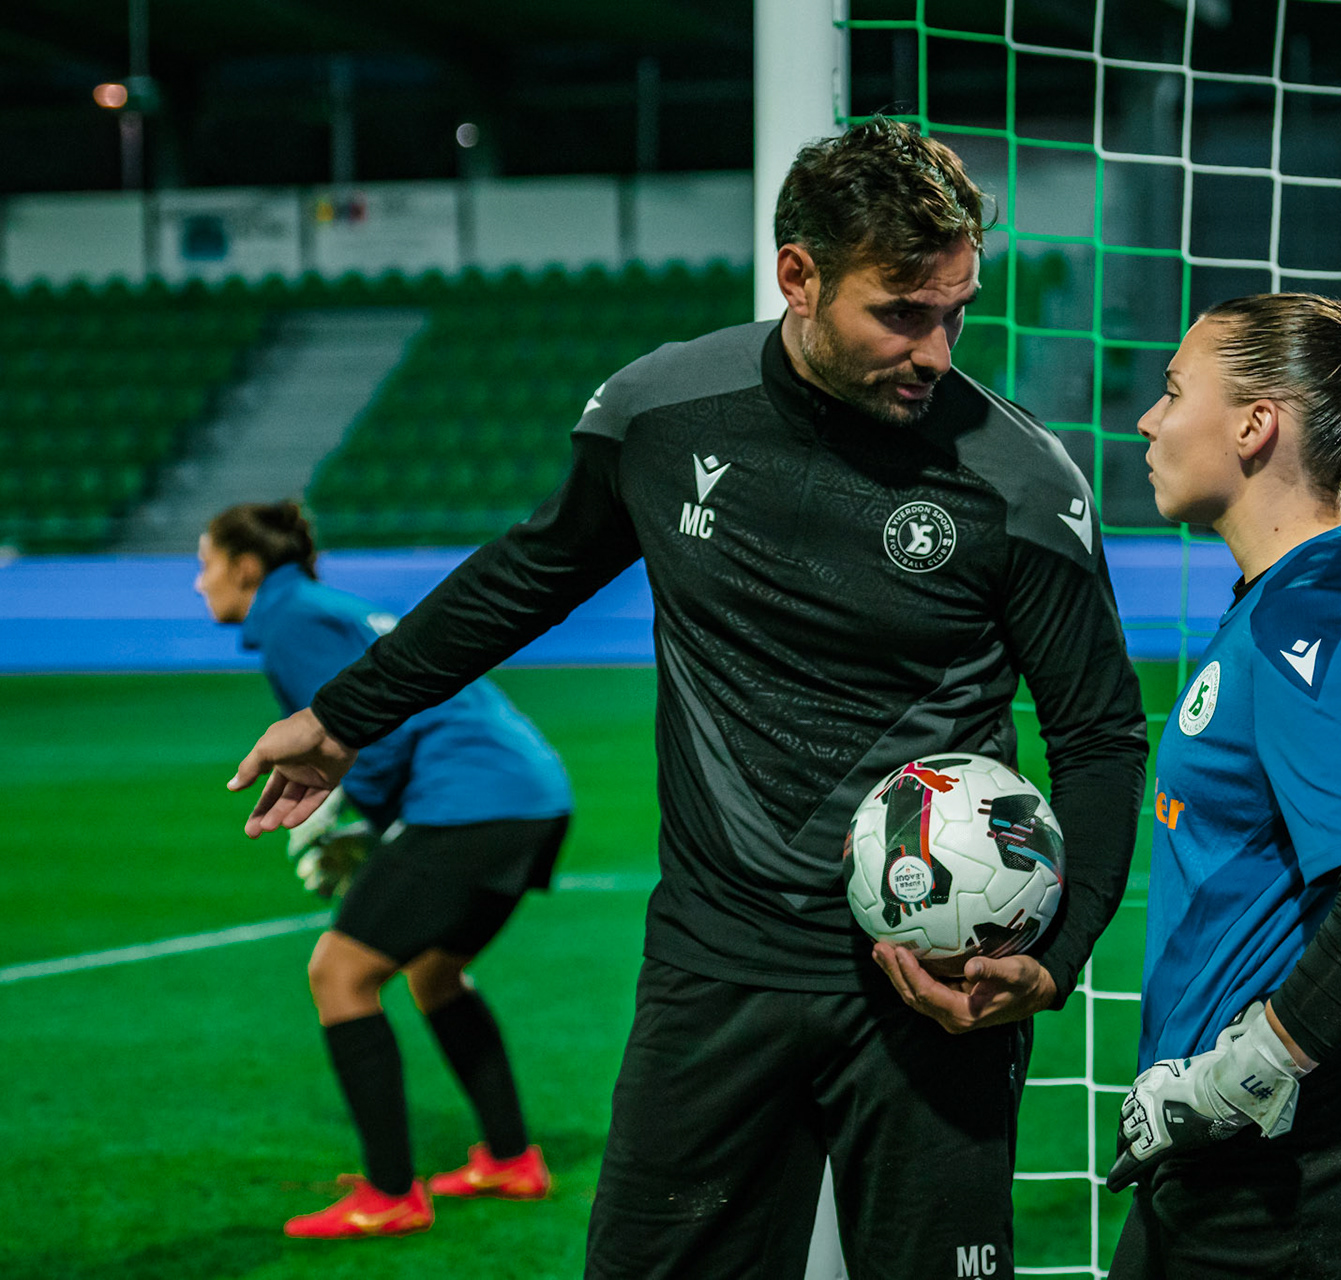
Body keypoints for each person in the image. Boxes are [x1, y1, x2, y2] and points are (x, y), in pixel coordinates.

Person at [224, 118, 1149, 1277]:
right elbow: (529, 573)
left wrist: (1053, 955)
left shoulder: (1018, 481)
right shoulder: (661, 414)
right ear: (798, 276)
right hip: (715, 966)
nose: (937, 350)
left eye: (956, 311)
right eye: (903, 313)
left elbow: (1102, 734)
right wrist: (345, 714)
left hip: (930, 981)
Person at [1105, 293, 1341, 1277]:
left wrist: (1240, 1076)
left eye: (1172, 392)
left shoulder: (1312, 621)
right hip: (1259, 1141)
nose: (1148, 421)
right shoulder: (1295, 596)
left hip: (1309, 1142)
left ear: (1254, 424)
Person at [196, 501, 573, 1239]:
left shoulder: (291, 619)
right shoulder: (328, 604)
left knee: (339, 974)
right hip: (530, 791)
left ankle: (391, 1194)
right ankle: (509, 1158)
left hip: (472, 799)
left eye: (205, 564)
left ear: (246, 568)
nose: (200, 582)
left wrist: (357, 817)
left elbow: (363, 730)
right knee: (434, 972)